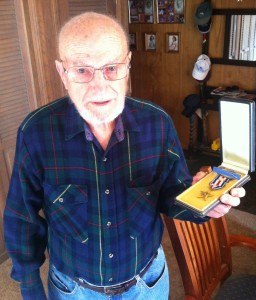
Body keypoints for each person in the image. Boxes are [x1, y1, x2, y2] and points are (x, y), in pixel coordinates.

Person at [3, 12, 245, 300]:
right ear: (62, 73)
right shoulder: (36, 132)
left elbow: (172, 196)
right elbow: (22, 218)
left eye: (111, 68)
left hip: (148, 284)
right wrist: (31, 288)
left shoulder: (157, 124)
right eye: (82, 70)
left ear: (127, 67)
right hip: (73, 290)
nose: (99, 86)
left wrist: (204, 204)